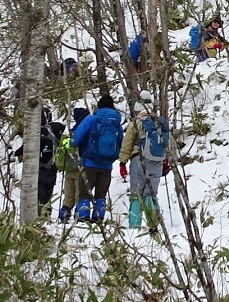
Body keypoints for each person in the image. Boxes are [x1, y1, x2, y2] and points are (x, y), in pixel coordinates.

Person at [118, 94, 170, 229]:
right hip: (157, 162)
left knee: (137, 194)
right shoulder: (160, 123)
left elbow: (127, 144)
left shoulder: (136, 123)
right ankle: (154, 223)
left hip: (139, 160)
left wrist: (122, 162)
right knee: (151, 194)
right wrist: (166, 160)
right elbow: (170, 144)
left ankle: (135, 226)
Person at [71, 93, 124, 222]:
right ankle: (99, 216)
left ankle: (83, 217)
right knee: (101, 194)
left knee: (84, 192)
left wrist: (74, 144)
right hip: (107, 165)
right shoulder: (117, 123)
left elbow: (78, 136)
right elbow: (120, 141)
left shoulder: (92, 119)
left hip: (90, 162)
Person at [56, 106, 90, 223]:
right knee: (79, 194)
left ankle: (63, 216)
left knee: (68, 195)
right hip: (80, 167)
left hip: (69, 167)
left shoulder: (70, 132)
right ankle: (78, 216)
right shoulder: (84, 131)